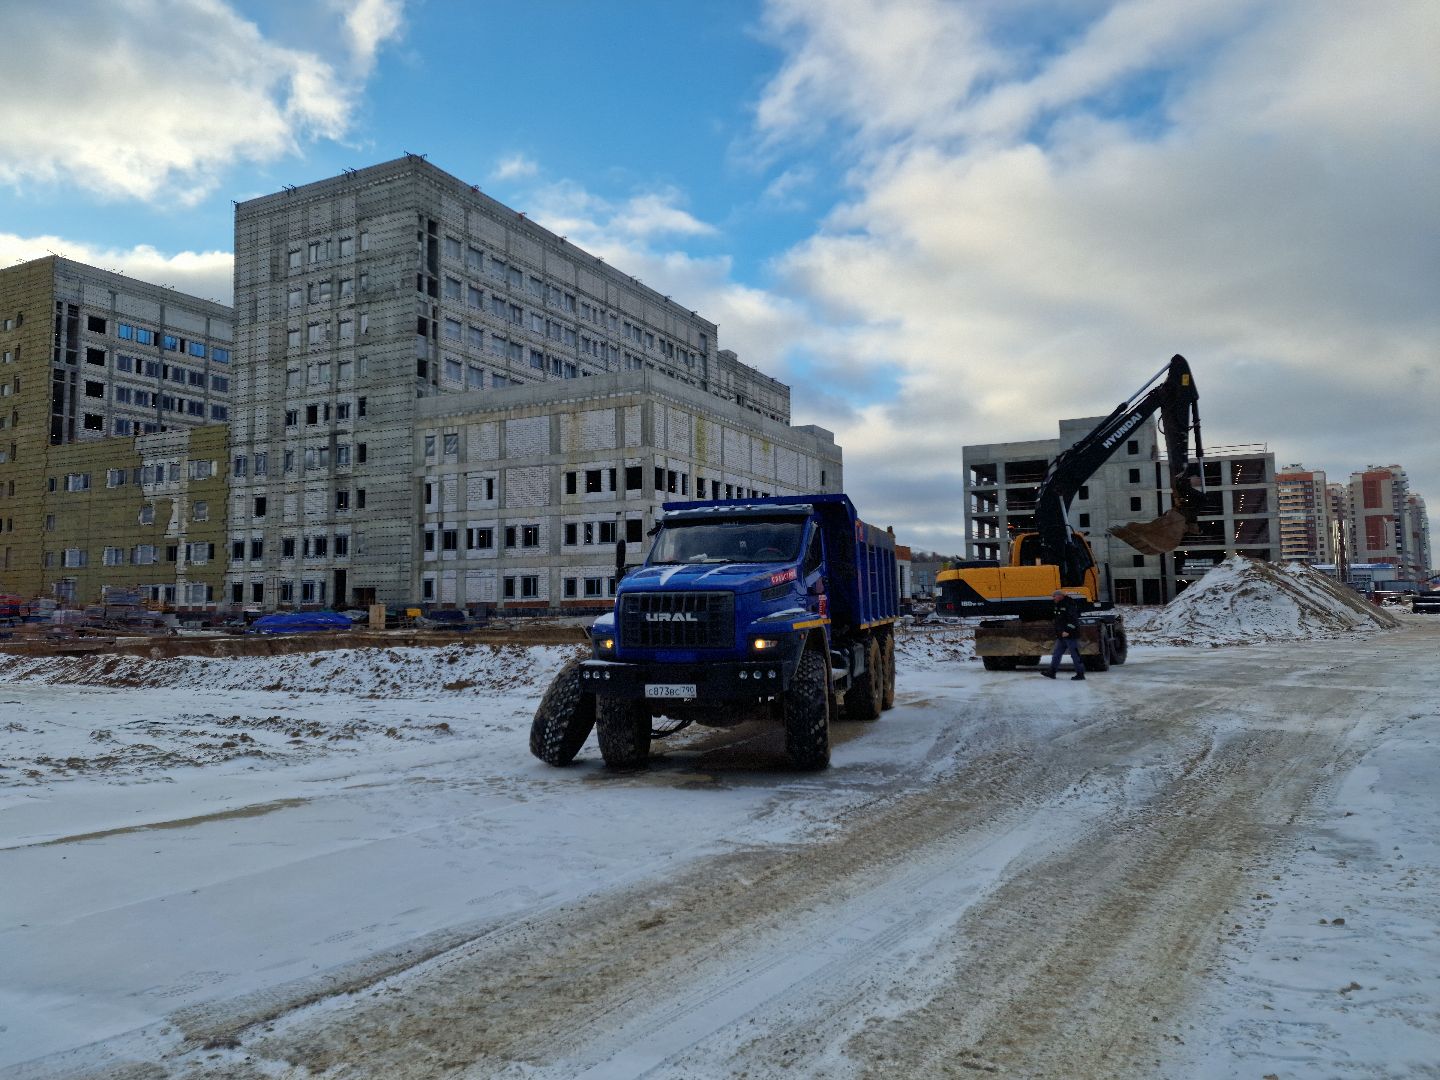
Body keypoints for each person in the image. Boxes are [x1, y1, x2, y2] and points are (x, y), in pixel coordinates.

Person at [1040, 589, 1086, 681]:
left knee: (1075, 655)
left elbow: (1073, 620)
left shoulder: (1069, 604)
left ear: (1060, 596)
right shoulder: (1058, 605)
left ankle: (1080, 674)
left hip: (1070, 635)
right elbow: (1059, 620)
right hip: (1061, 636)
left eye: (1054, 596)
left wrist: (1067, 631)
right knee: (1056, 654)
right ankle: (1052, 672)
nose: (1053, 598)